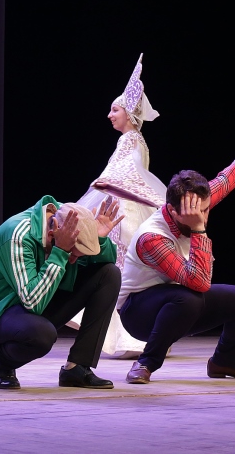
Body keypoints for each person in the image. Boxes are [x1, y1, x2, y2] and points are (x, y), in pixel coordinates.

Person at [118, 111, 235, 384]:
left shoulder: (196, 203)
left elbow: (230, 176)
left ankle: (226, 362)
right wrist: (199, 230)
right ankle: (145, 363)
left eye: (206, 209)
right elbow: (200, 282)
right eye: (194, 212)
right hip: (139, 313)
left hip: (179, 302)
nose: (202, 215)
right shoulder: (152, 237)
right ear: (172, 210)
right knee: (189, 298)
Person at [0, 197, 124, 389]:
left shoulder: (67, 219)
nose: (72, 260)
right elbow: (32, 301)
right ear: (52, 234)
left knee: (108, 274)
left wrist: (98, 239)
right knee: (41, 334)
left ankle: (77, 368)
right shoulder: (17, 235)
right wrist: (61, 252)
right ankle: (2, 361)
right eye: (72, 254)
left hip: (37, 297)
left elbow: (103, 261)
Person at [72, 53, 165, 360]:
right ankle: (134, 334)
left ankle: (124, 336)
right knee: (125, 271)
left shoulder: (129, 140)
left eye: (115, 110)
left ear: (129, 113)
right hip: (127, 209)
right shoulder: (136, 140)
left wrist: (106, 182)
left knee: (115, 269)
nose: (109, 115)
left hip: (122, 213)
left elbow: (130, 171)